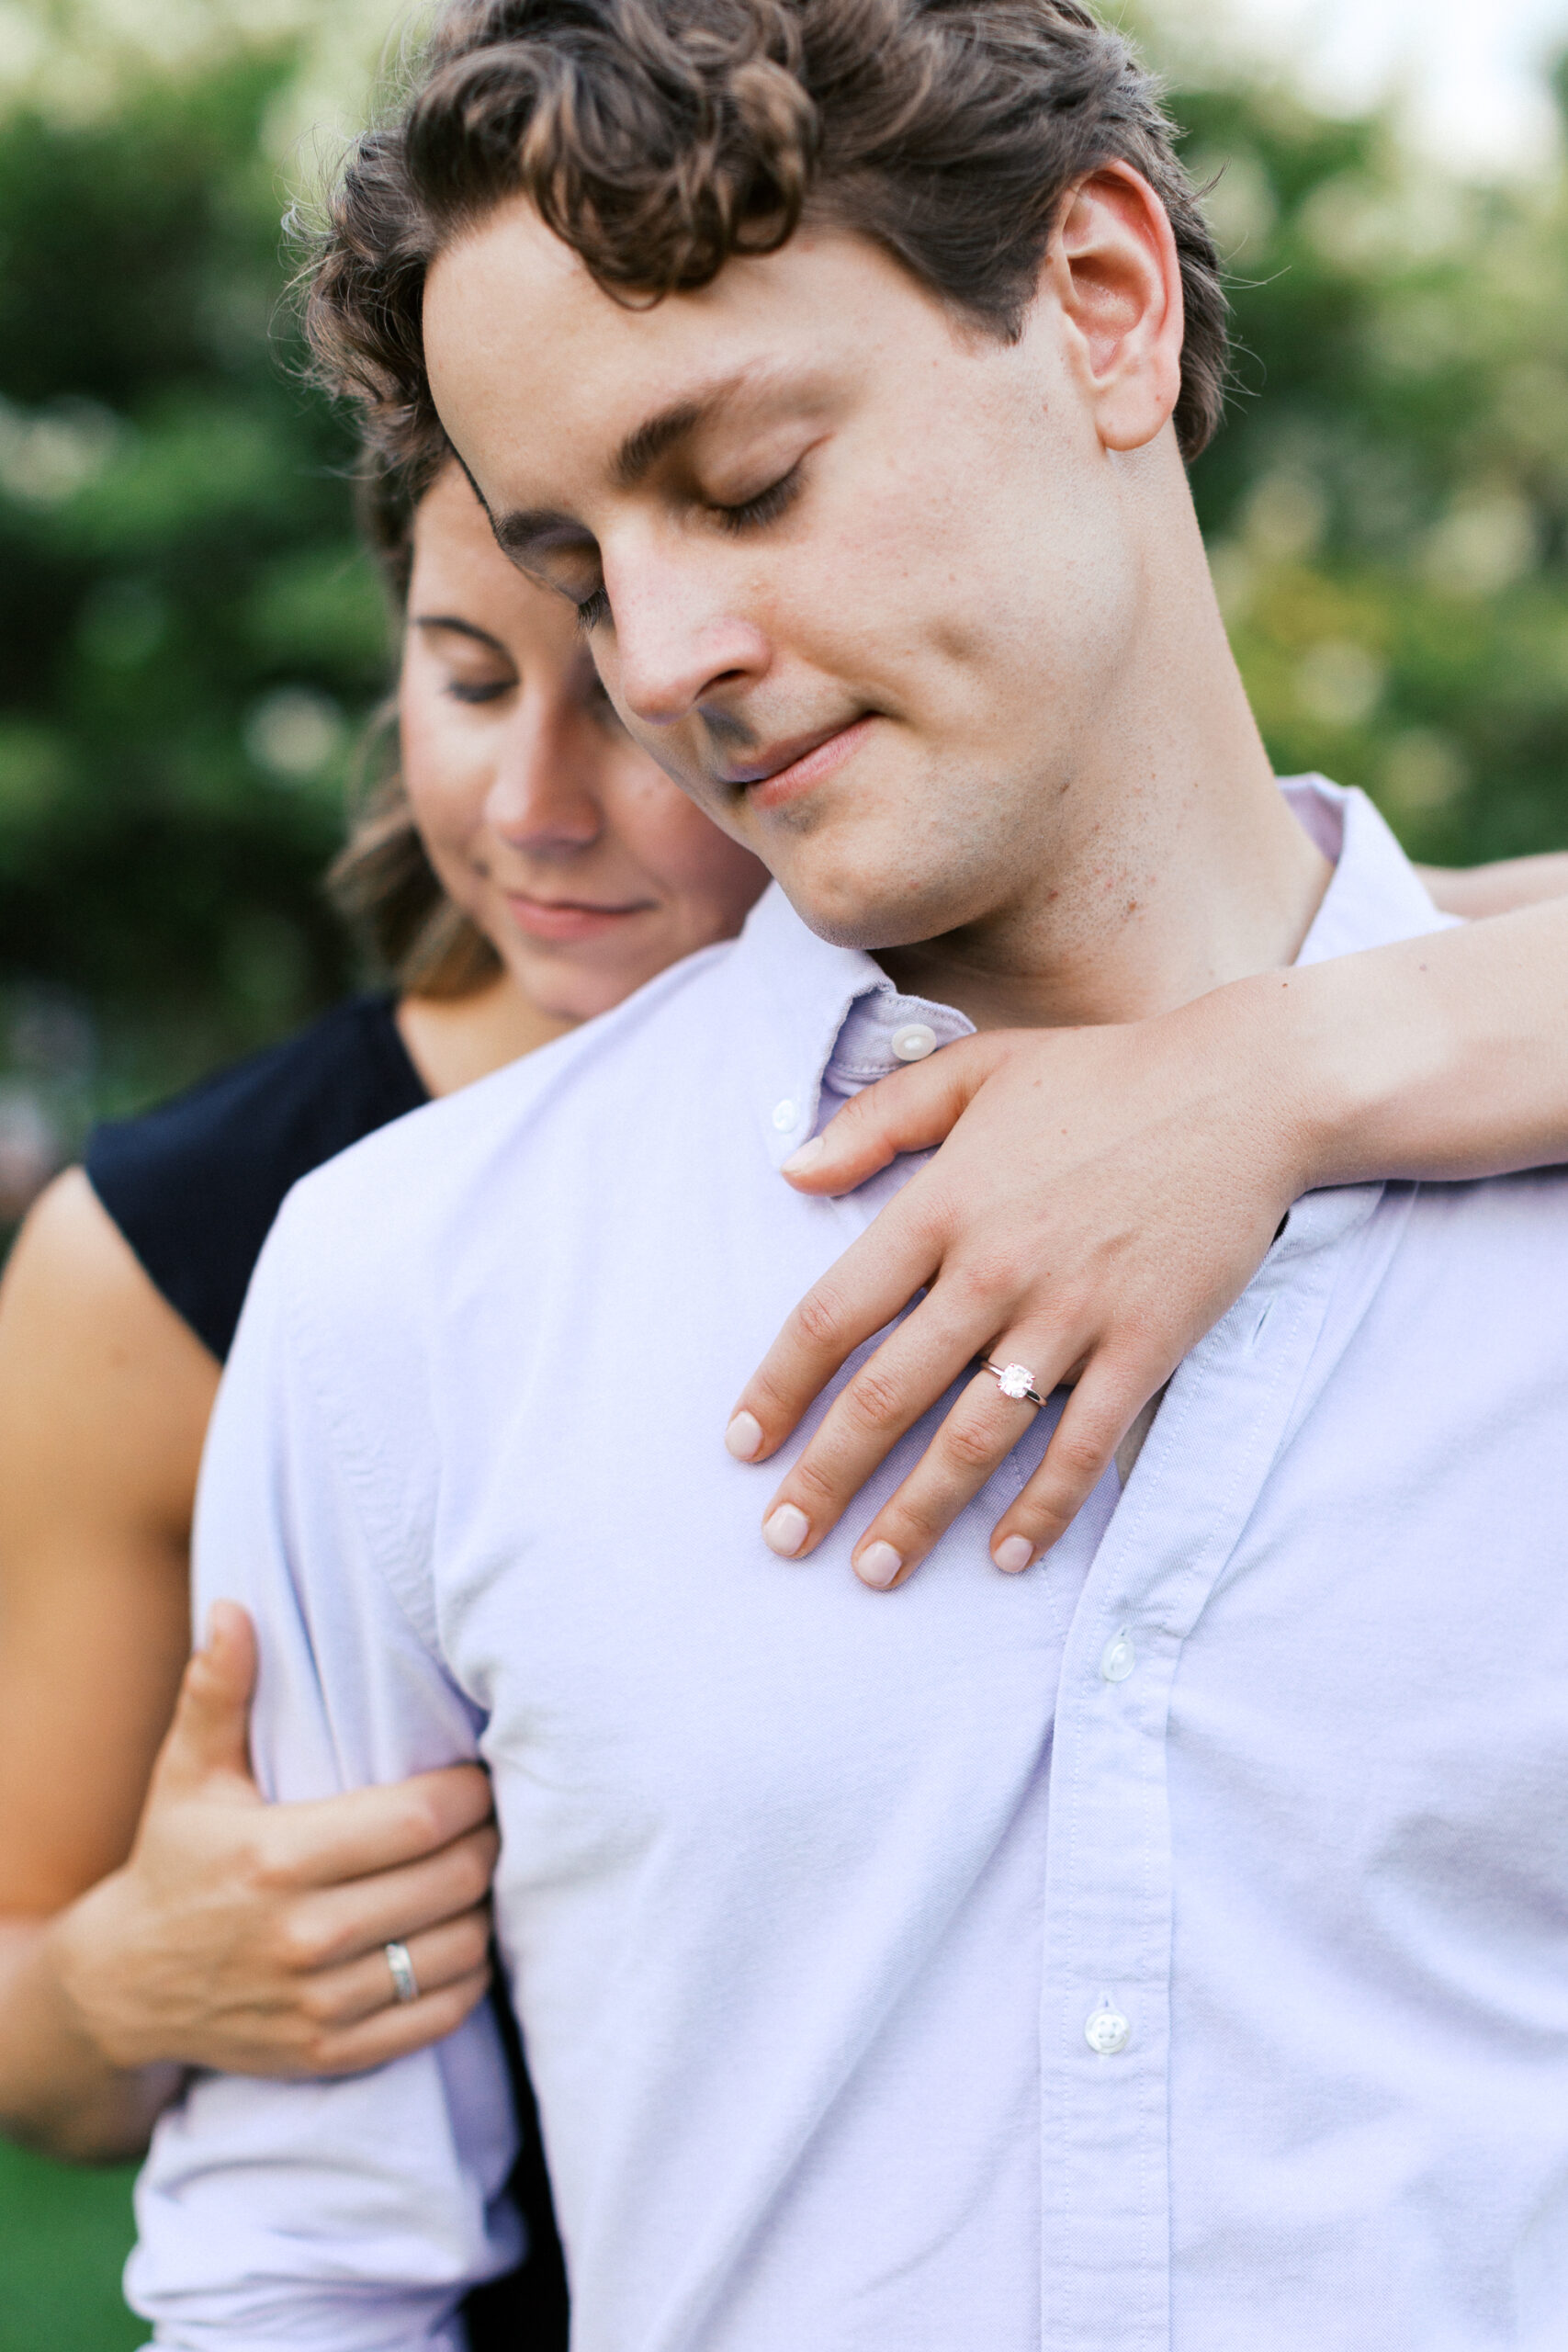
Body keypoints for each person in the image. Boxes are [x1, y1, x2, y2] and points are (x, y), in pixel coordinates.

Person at [123, 1, 1568, 2347]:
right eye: (578, 564)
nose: (668, 660)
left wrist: (1286, 1074)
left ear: (1099, 305)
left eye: (751, 477)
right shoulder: (413, 1286)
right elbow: (304, 2274)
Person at [0, 451, 765, 2337]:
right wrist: (130, 1981)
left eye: (628, 699)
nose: (531, 807)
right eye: (468, 676)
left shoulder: (1059, 1112)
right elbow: (30, 2018)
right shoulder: (159, 1259)